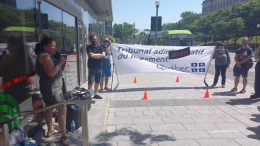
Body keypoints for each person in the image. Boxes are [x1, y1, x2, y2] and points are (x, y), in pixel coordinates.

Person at [35, 36, 69, 145]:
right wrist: (60, 62)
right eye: (52, 46)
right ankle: (64, 136)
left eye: (55, 45)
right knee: (62, 108)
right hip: (52, 87)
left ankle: (50, 129)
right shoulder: (45, 56)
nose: (54, 48)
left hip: (51, 86)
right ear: (45, 46)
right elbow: (51, 73)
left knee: (49, 107)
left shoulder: (46, 55)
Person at [0, 36, 34, 104]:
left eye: (9, 45)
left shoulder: (10, 57)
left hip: (14, 90)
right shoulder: (7, 56)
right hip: (21, 89)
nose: (7, 47)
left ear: (16, 46)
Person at [86, 34, 105, 99]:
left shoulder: (100, 47)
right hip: (91, 67)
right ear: (91, 40)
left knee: (97, 81)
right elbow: (91, 55)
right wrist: (99, 55)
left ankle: (96, 93)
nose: (95, 40)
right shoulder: (89, 47)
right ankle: (90, 95)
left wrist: (95, 55)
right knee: (90, 81)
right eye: (93, 39)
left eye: (95, 39)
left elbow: (103, 55)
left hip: (99, 67)